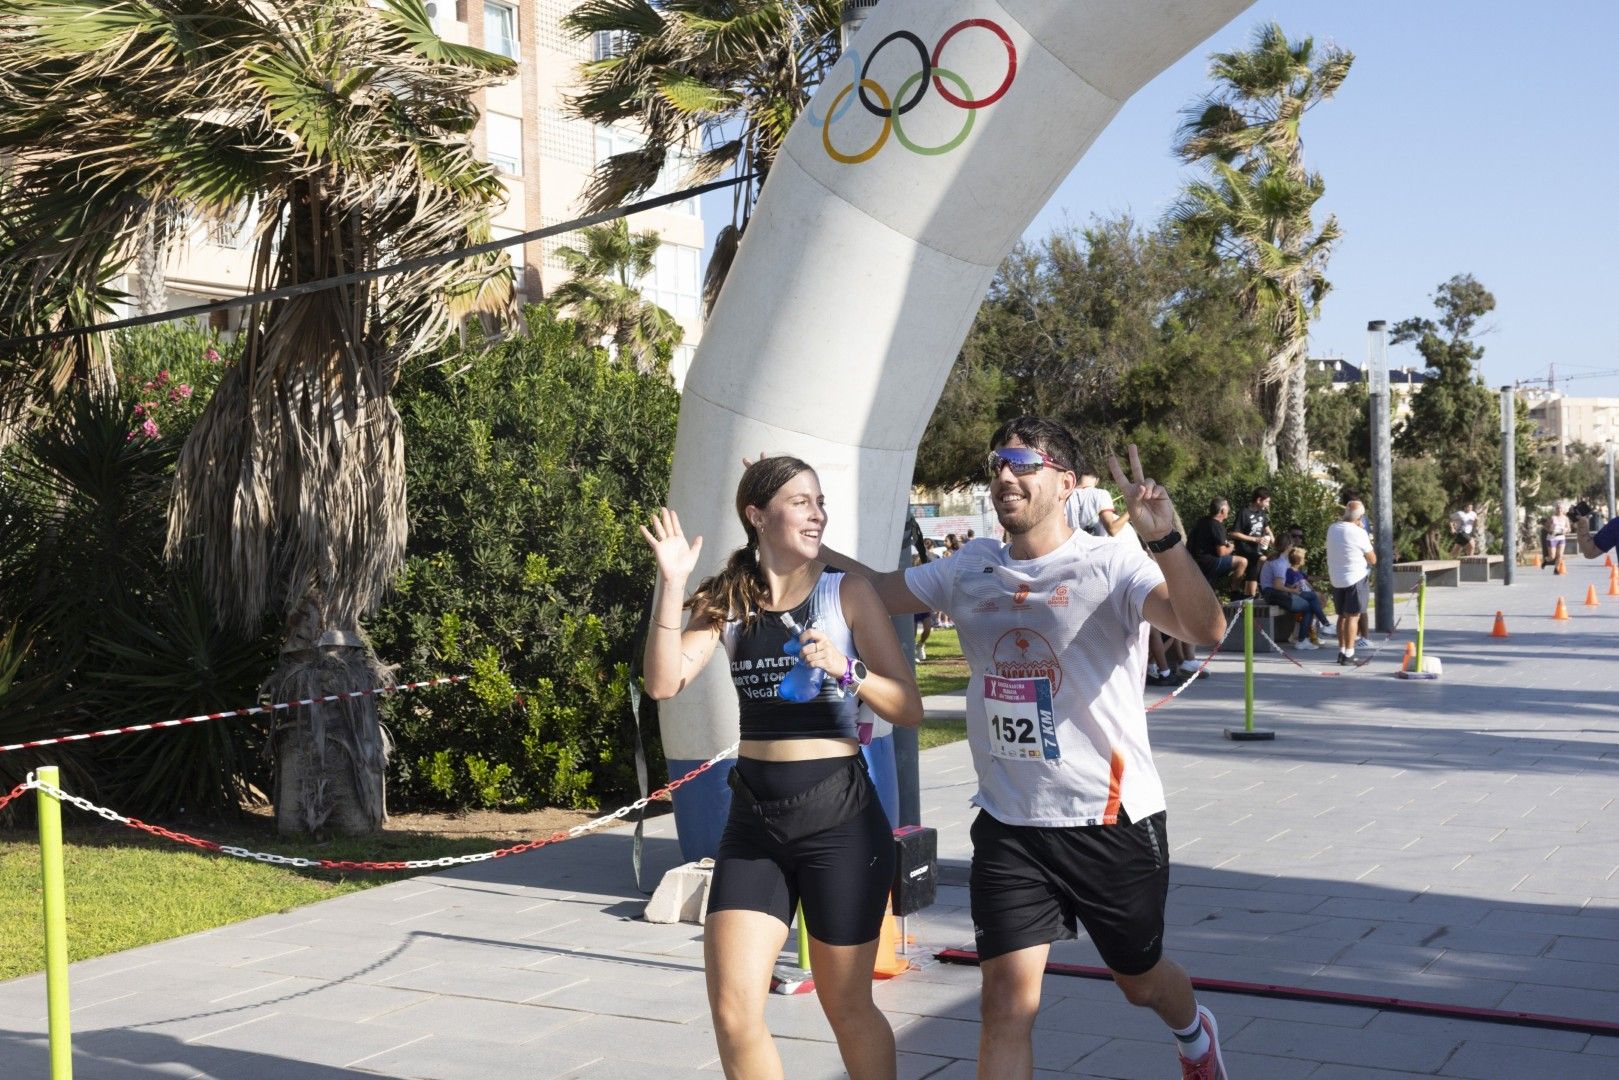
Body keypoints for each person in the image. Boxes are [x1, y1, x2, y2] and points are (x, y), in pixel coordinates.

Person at [822, 417, 1230, 1080]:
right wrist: (799, 542)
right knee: (1005, 1007)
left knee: (1139, 981)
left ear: (1064, 483)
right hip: (1010, 824)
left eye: (1022, 463)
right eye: (997, 464)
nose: (1004, 476)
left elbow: (1203, 627)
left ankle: (1193, 1034)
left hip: (1108, 820)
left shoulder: (1110, 562)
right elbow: (868, 586)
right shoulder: (969, 564)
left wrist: (1165, 541)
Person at [640, 456, 923, 1080]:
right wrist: (670, 581)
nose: (817, 512)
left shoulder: (845, 592)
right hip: (755, 823)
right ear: (757, 515)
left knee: (847, 1005)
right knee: (733, 1009)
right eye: (800, 501)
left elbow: (911, 706)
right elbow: (663, 681)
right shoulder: (728, 599)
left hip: (840, 821)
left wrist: (847, 671)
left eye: (819, 501)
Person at [1326, 501, 1376, 666]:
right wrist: (1361, 530)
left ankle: (1341, 652)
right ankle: (1349, 654)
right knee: (1353, 617)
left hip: (1337, 579)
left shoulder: (1332, 528)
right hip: (1355, 578)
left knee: (1341, 616)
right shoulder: (1359, 532)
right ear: (1360, 517)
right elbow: (1372, 559)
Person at [1187, 498, 1246, 595]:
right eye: (1227, 508)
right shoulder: (1217, 526)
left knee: (1209, 591)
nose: (1229, 510)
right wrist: (1231, 547)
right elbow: (1222, 553)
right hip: (1209, 562)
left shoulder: (1202, 521)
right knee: (1242, 562)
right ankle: (1234, 592)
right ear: (1222, 510)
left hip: (1195, 561)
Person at [1229, 487, 1273, 599]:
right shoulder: (1244, 512)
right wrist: (1255, 539)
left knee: (1251, 591)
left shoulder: (1261, 513)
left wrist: (1274, 540)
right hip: (1245, 548)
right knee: (1263, 560)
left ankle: (1249, 598)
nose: (1268, 504)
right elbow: (1234, 533)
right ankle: (1236, 593)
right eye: (1267, 501)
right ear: (1259, 500)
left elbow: (1267, 529)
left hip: (1257, 549)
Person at [1064, 470, 1129, 538]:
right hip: (1098, 547)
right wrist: (1132, 511)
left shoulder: (1065, 495)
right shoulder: (1101, 494)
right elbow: (1112, 529)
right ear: (1097, 480)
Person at [1546, 502, 1571, 569]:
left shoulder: (1566, 518)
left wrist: (1565, 531)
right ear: (1556, 509)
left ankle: (1556, 569)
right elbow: (1546, 527)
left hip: (1561, 538)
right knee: (1552, 557)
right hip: (1552, 538)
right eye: (1558, 508)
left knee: (1560, 555)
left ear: (1563, 509)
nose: (1559, 510)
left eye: (1561, 508)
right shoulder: (1552, 518)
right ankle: (1546, 560)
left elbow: (1569, 529)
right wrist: (1551, 531)